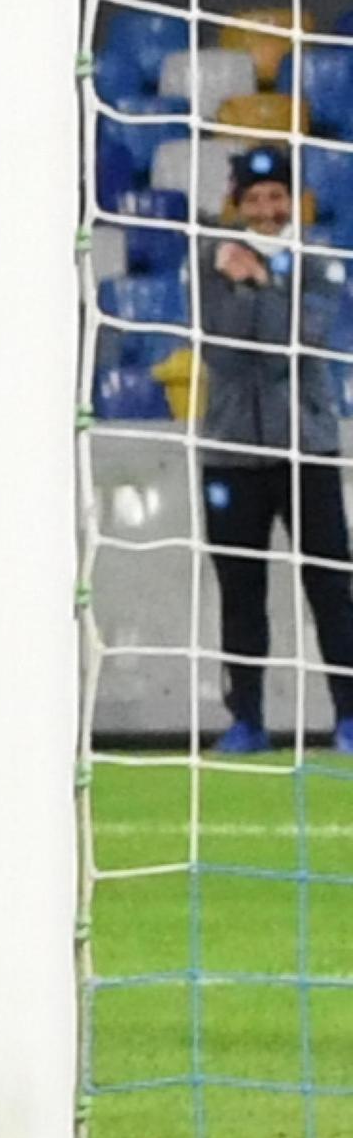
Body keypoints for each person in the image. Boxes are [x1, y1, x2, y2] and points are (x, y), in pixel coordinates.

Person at [195, 143, 353, 753]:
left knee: (331, 589)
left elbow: (308, 338)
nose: (266, 209)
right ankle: (247, 720)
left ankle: (348, 715)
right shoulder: (209, 261)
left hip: (307, 450)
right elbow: (223, 349)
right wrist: (264, 300)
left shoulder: (319, 261)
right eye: (255, 199)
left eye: (276, 197)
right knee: (240, 593)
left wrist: (261, 280)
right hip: (232, 452)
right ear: (238, 204)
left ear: (293, 200)